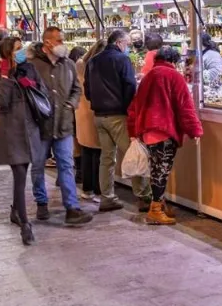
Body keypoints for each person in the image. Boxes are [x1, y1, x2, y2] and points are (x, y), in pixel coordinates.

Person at [126, 46, 203, 225]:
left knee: (156, 170)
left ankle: (159, 204)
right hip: (164, 130)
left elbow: (134, 106)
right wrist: (195, 130)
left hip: (147, 130)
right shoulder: (174, 76)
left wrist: (133, 131)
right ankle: (155, 210)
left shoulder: (149, 76)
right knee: (161, 170)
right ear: (173, 61)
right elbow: (185, 107)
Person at [28, 27, 93, 226]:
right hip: (39, 126)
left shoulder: (69, 64)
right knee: (38, 166)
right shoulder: (32, 65)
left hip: (63, 125)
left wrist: (70, 104)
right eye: (59, 40)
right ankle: (41, 203)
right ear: (47, 43)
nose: (63, 44)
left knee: (66, 165)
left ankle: (72, 208)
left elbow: (76, 89)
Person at [84, 30, 152, 212]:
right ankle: (144, 196)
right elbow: (130, 85)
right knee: (134, 154)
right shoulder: (122, 60)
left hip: (99, 116)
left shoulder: (93, 61)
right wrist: (129, 108)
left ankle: (107, 197)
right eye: (128, 44)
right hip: (118, 115)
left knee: (106, 158)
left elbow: (87, 90)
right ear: (120, 42)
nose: (128, 47)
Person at [0, 37, 44, 245]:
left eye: (22, 48)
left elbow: (41, 91)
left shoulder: (28, 68)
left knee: (25, 171)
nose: (21, 52)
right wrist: (5, 75)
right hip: (12, 130)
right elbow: (2, 100)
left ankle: (15, 211)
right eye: (17, 49)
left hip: (30, 128)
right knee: (20, 174)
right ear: (7, 52)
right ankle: (25, 224)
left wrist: (28, 83)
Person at [76, 40, 106, 202]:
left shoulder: (80, 64)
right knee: (98, 153)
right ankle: (97, 189)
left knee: (86, 151)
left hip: (81, 112)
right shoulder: (95, 66)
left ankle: (87, 189)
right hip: (94, 111)